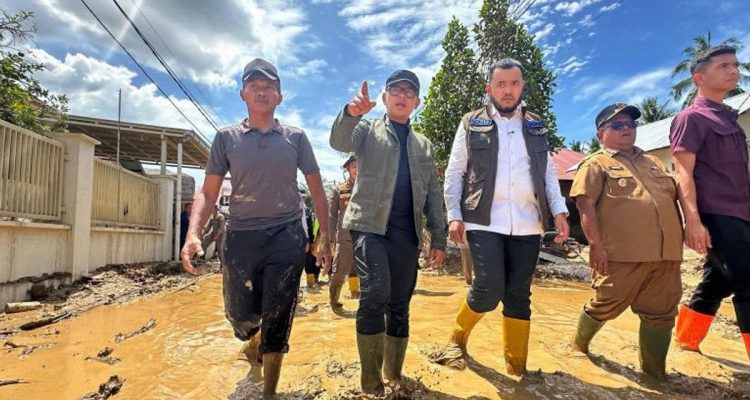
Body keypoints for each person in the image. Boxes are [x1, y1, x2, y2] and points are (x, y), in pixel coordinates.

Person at [180, 58, 331, 399]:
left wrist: (325, 238)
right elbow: (209, 192)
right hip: (240, 236)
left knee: (279, 314)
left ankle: (269, 393)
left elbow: (318, 190)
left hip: (286, 234)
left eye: (269, 87)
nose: (262, 92)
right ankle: (252, 340)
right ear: (243, 94)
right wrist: (193, 234)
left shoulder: (296, 138)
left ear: (280, 96)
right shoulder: (226, 138)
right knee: (241, 316)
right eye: (254, 86)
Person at [435, 58, 569, 375]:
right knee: (488, 288)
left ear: (522, 86)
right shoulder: (471, 122)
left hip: (529, 221)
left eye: (514, 83)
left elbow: (548, 172)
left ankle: (516, 369)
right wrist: (454, 214)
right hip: (483, 219)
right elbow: (455, 171)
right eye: (501, 84)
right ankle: (457, 338)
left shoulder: (536, 125)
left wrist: (559, 210)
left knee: (519, 295)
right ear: (489, 88)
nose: (508, 91)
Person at [330, 70, 447, 395]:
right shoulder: (367, 129)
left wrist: (439, 238)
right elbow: (338, 141)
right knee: (375, 292)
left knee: (400, 303)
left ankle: (394, 377)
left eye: (409, 91)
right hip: (369, 226)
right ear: (384, 97)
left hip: (407, 234)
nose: (402, 95)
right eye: (395, 89)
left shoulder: (424, 145)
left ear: (416, 102)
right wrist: (351, 113)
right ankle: (371, 384)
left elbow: (433, 193)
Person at [569, 103, 683, 379]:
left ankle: (655, 375)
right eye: (617, 125)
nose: (626, 129)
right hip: (621, 255)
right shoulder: (596, 164)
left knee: (662, 313)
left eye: (630, 124)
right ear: (601, 134)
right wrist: (595, 246)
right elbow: (585, 206)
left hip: (666, 254)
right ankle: (578, 346)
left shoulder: (654, 162)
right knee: (605, 303)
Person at [670, 45, 750, 360]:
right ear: (699, 77)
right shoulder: (690, 118)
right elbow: (683, 173)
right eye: (723, 66)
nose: (734, 71)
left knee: (721, 277)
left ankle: (686, 340)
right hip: (717, 213)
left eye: (735, 65)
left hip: (742, 211)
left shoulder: (730, 121)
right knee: (747, 281)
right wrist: (692, 221)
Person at [328, 154, 360, 307]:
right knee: (340, 269)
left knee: (364, 269)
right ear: (348, 169)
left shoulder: (369, 188)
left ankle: (359, 297)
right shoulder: (339, 189)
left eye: (359, 166)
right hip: (345, 236)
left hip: (364, 235)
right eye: (354, 166)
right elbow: (332, 215)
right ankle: (334, 300)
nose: (357, 169)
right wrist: (330, 238)